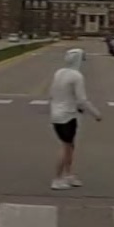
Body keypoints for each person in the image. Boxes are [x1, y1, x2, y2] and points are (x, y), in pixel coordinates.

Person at [46, 44, 90, 190]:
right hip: (66, 116)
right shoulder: (77, 76)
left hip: (58, 114)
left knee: (70, 146)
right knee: (66, 147)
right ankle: (57, 179)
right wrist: (96, 114)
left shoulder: (59, 72)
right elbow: (82, 100)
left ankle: (68, 175)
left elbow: (52, 93)